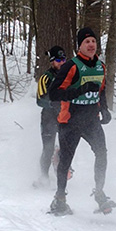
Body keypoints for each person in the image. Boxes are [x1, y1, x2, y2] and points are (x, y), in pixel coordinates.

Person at [47, 27, 115, 216]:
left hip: (91, 120)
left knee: (102, 153)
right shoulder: (72, 66)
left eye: (93, 41)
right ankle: (59, 199)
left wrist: (104, 109)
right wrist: (81, 90)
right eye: (87, 42)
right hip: (70, 120)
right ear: (80, 46)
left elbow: (101, 89)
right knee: (66, 161)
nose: (91, 44)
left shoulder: (100, 66)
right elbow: (53, 93)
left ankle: (100, 193)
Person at [33, 45, 66, 188]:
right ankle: (44, 176)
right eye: (58, 60)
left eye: (63, 59)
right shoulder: (46, 77)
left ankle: (63, 171)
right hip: (49, 117)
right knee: (48, 147)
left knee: (67, 146)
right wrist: (54, 104)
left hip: (65, 117)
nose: (61, 62)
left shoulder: (68, 75)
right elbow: (40, 100)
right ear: (52, 61)